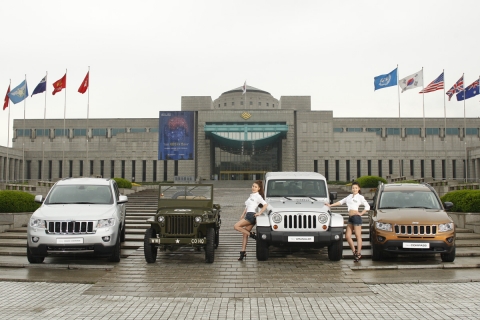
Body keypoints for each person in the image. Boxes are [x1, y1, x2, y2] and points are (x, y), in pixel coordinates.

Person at [325, 181, 370, 262]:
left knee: (357, 236)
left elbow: (367, 206)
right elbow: (340, 202)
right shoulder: (349, 196)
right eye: (353, 188)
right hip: (350, 218)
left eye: (356, 188)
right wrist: (330, 205)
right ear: (351, 189)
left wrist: (361, 213)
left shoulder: (360, 197)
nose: (354, 189)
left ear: (359, 189)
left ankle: (359, 253)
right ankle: (354, 251)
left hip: (356, 217)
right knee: (347, 236)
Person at [233, 180, 268, 261]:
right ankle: (243, 252)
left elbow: (265, 204)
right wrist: (242, 214)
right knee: (244, 235)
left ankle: (252, 235)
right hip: (248, 215)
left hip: (251, 216)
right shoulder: (251, 196)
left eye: (255, 187)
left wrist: (259, 213)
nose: (253, 188)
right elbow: (247, 207)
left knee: (236, 226)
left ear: (259, 188)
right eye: (253, 186)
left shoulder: (258, 196)